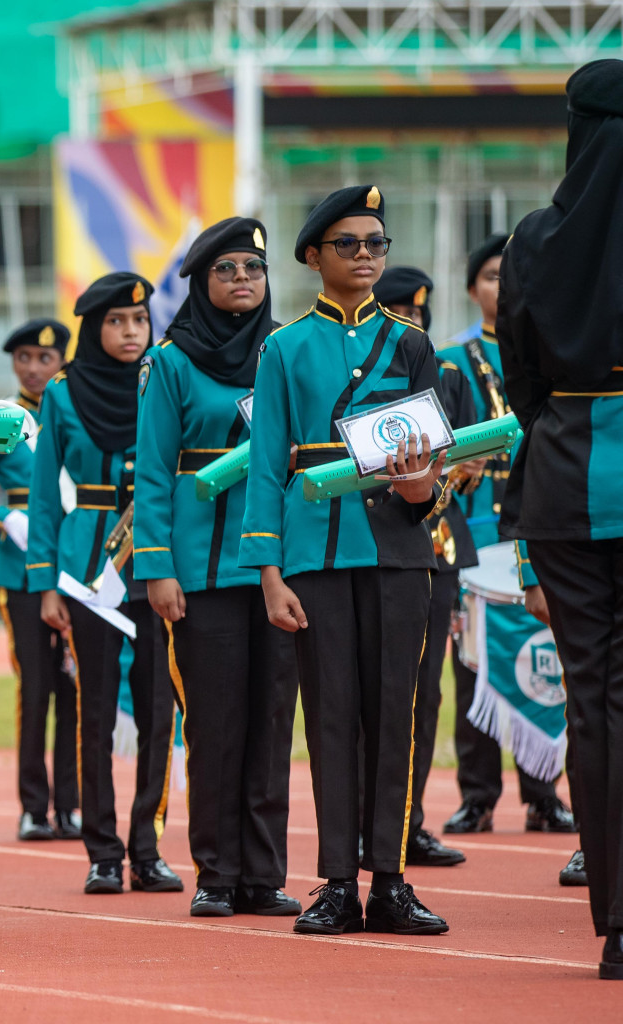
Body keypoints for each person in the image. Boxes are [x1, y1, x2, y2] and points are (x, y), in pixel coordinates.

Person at [241, 184, 452, 936]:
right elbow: (266, 466)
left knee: (396, 713)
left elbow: (435, 469)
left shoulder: (413, 343)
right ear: (313, 257)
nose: (366, 256)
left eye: (377, 244)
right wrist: (268, 573)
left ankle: (391, 880)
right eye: (349, 245)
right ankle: (336, 882)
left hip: (397, 550)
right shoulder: (285, 347)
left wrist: (426, 489)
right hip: (317, 553)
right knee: (330, 718)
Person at [497, 58, 623, 980]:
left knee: (595, 698)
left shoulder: (536, 237)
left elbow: (522, 378)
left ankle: (618, 921)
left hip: (565, 474)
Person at [135, 218, 300, 917]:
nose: (242, 281)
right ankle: (217, 872)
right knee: (215, 721)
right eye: (226, 270)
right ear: (202, 283)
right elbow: (150, 470)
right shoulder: (172, 362)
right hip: (201, 569)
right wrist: (157, 566)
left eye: (253, 270)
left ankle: (263, 874)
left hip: (279, 568)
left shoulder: (287, 353)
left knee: (271, 720)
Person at [27, 272, 182, 898]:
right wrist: (44, 583)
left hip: (151, 560)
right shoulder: (62, 392)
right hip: (87, 566)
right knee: (93, 710)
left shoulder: (163, 381)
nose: (130, 333)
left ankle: (148, 849)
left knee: (156, 707)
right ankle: (103, 853)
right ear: (94, 327)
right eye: (116, 322)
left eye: (139, 321)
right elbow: (42, 496)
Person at [438, 234, 576, 837]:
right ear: (473, 288)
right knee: (472, 669)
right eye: (491, 275)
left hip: (535, 530)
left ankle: (544, 791)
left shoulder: (553, 354)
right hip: (472, 534)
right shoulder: (449, 360)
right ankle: (478, 794)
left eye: (510, 275)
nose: (501, 286)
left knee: (543, 663)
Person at [0, 317, 79, 842]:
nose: (32, 368)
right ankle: (34, 806)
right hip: (22, 569)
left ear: (62, 362)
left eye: (44, 359)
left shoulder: (80, 411)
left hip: (78, 564)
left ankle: (73, 807)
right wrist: (3, 520)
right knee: (37, 687)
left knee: (77, 687)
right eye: (23, 358)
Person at [373, 266, 471, 868]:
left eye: (419, 314)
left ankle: (411, 823)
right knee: (370, 695)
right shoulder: (361, 376)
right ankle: (370, 827)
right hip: (373, 540)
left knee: (426, 692)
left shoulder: (448, 375)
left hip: (438, 547)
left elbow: (464, 448)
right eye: (400, 313)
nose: (412, 323)